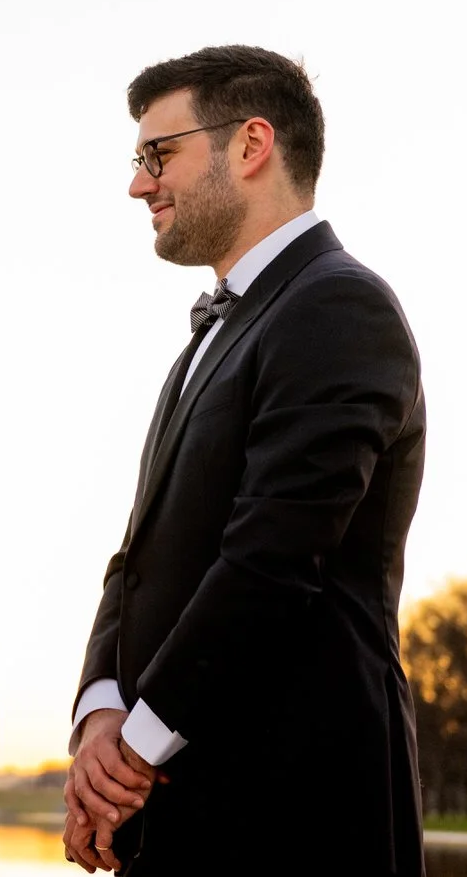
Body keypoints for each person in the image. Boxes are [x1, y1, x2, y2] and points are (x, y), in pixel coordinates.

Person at [64, 47, 428, 875]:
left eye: (159, 155)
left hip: (300, 807)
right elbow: (138, 558)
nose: (138, 183)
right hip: (177, 799)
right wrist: (99, 714)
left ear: (251, 144)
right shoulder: (213, 335)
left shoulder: (339, 304)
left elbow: (272, 558)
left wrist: (130, 754)